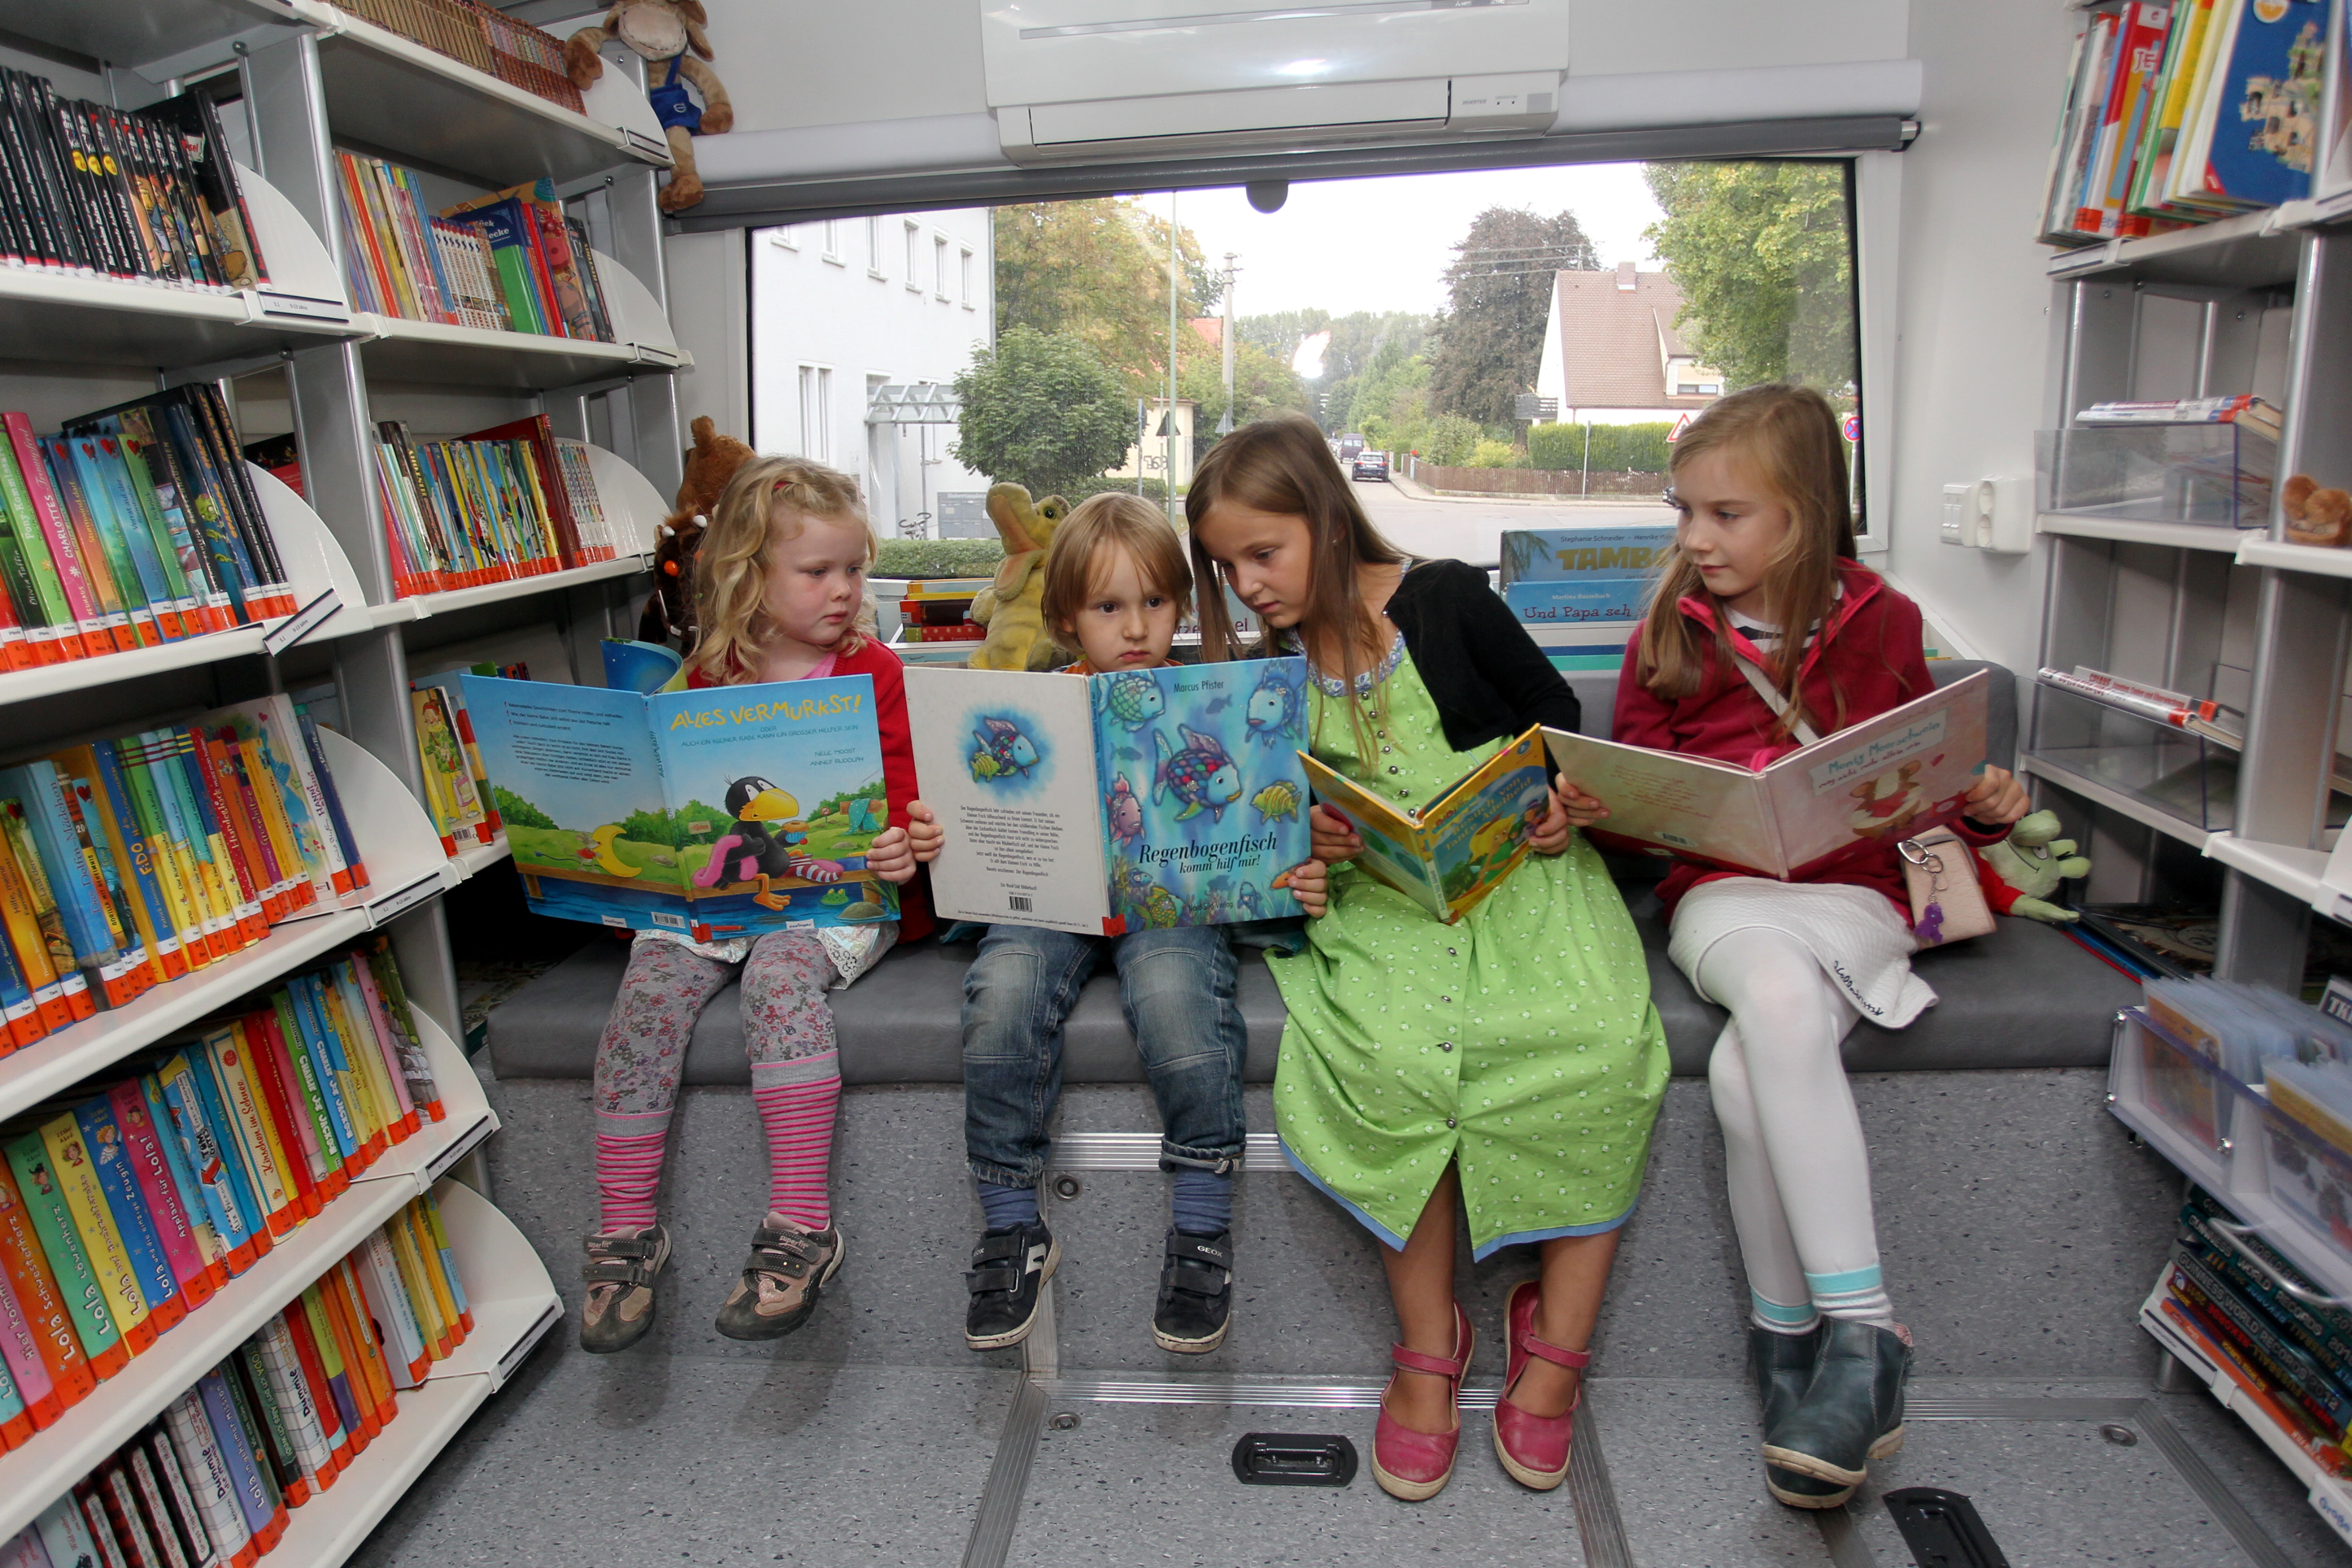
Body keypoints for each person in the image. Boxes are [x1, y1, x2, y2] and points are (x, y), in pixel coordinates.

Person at [1187, 414, 1670, 1502]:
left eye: (1263, 552)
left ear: (1320, 516)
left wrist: (1548, 798)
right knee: (1396, 1062)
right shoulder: (1266, 680)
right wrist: (1311, 836)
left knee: (1597, 1044)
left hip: (1520, 887)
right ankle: (1428, 1341)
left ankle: (1558, 1347)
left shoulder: (1444, 598)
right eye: (1226, 566)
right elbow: (1276, 814)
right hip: (1383, 908)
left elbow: (1552, 713)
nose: (1248, 583)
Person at [1567, 383, 2029, 1509]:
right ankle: (1868, 1337)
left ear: (1806, 513)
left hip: (1857, 896)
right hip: (1721, 897)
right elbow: (1642, 794)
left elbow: (1915, 780)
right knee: (1771, 999)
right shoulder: (1667, 632)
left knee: (1741, 1071)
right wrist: (1607, 804)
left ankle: (1793, 1349)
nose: (1693, 538)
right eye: (1685, 510)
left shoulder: (1884, 623)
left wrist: (1981, 807)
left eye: (1727, 515)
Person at [903, 493, 1283, 1356]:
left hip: (1167, 899)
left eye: (1155, 602)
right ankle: (1012, 1224)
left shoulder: (1210, 700)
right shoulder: (1032, 707)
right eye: (1110, 607)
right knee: (1002, 993)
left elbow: (1246, 822)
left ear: (1181, 606)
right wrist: (940, 832)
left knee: (1179, 999)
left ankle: (1201, 1222)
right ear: (1070, 617)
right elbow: (977, 814)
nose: (1137, 626)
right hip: (1055, 898)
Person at [577, 455, 931, 1354]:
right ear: (749, 575)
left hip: (832, 905)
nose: (844, 591)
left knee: (781, 979)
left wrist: (904, 844)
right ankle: (626, 1227)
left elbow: (905, 803)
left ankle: (803, 1227)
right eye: (817, 572)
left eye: (854, 569)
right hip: (720, 904)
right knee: (651, 982)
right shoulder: (707, 677)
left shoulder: (873, 671)